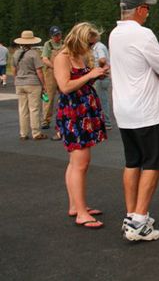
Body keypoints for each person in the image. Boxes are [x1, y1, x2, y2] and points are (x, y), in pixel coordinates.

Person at [109, 0, 159, 242]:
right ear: (139, 10)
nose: (148, 12)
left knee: (132, 161)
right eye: (147, 8)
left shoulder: (114, 34)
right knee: (154, 163)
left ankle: (132, 215)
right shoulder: (143, 34)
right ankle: (139, 219)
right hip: (145, 110)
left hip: (123, 109)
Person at [54, 22, 108, 229]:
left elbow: (80, 82)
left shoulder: (79, 56)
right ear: (80, 40)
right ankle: (82, 213)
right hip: (74, 114)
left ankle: (76, 206)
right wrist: (89, 75)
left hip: (84, 111)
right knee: (81, 163)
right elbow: (65, 87)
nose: (91, 48)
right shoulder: (62, 58)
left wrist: (96, 75)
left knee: (75, 163)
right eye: (90, 43)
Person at [13, 30, 47, 140]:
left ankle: (23, 133)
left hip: (20, 83)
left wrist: (16, 80)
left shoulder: (16, 53)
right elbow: (39, 71)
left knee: (22, 109)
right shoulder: (34, 54)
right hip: (33, 83)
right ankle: (36, 133)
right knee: (34, 108)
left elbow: (14, 69)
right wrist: (44, 85)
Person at [41, 26, 63, 140]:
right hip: (51, 73)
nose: (58, 37)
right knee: (49, 97)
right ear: (51, 36)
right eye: (55, 35)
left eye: (59, 35)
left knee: (64, 95)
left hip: (63, 72)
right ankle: (46, 120)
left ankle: (63, 117)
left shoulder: (64, 44)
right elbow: (44, 58)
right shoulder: (48, 45)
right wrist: (54, 66)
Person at [91, 35, 112, 130]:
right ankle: (104, 122)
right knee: (103, 99)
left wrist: (99, 69)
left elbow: (102, 59)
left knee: (101, 100)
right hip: (104, 76)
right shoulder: (100, 46)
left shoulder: (98, 47)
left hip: (101, 77)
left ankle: (105, 122)